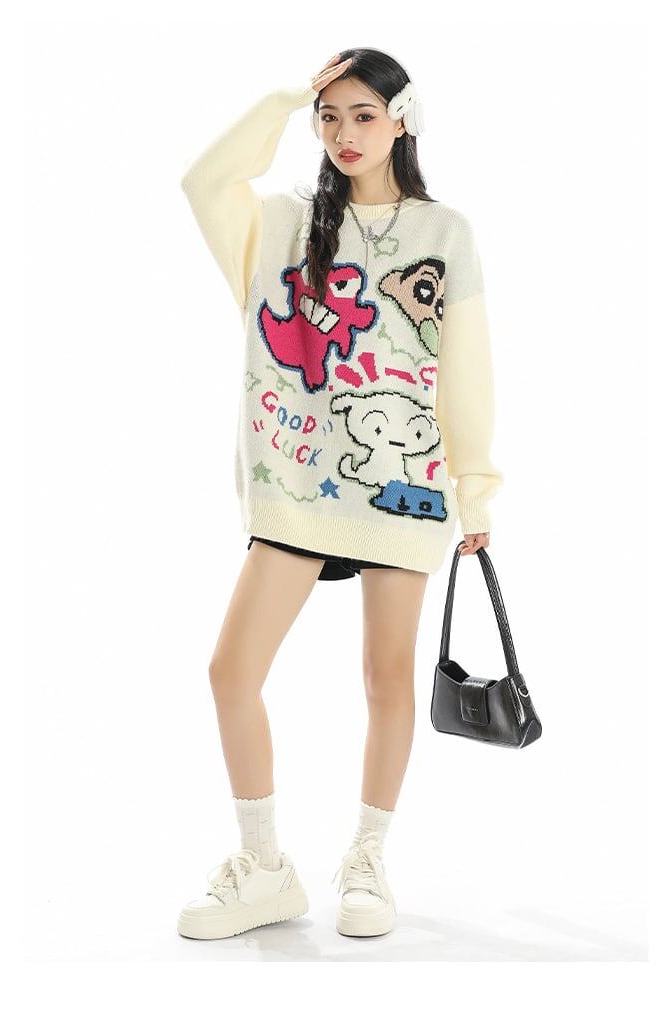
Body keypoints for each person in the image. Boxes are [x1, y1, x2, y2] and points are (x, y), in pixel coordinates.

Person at [176, 48, 504, 940]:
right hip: (297, 480)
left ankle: (367, 861)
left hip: (404, 486)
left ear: (403, 120)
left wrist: (474, 489)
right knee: (231, 672)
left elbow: (465, 369)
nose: (344, 133)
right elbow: (202, 181)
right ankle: (265, 869)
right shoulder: (280, 223)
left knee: (385, 678)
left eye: (364, 114)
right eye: (330, 117)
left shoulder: (446, 233)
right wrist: (283, 98)